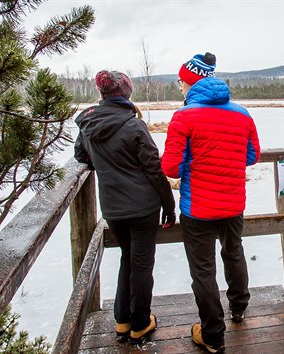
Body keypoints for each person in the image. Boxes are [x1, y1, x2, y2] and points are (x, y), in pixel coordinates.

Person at [161, 52, 261, 353]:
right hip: (233, 203)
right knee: (233, 253)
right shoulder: (242, 113)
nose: (179, 86)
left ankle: (213, 335)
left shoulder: (183, 117)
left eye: (180, 81)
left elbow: (170, 168)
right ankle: (239, 307)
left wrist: (193, 161)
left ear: (190, 82)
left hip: (198, 209)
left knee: (203, 271)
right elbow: (252, 155)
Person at [74, 70, 176, 345]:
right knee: (141, 265)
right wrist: (169, 204)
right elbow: (154, 169)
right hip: (143, 208)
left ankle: (122, 321)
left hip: (113, 208)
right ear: (127, 93)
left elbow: (81, 156)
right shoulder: (134, 125)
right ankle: (140, 324)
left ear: (103, 94)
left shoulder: (88, 124)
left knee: (127, 259)